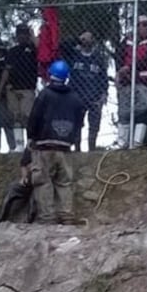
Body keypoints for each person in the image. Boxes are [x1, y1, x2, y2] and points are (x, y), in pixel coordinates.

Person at [27, 60, 86, 223]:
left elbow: (34, 118)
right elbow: (80, 119)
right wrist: (72, 137)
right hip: (65, 147)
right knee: (65, 182)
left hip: (44, 146)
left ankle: (47, 218)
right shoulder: (75, 97)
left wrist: (32, 137)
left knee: (43, 181)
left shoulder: (45, 95)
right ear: (67, 77)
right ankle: (66, 217)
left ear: (50, 76)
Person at [113, 15, 147, 148]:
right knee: (124, 111)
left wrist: (130, 68)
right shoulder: (127, 42)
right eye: (141, 25)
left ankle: (137, 142)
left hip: (145, 82)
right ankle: (122, 142)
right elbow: (118, 57)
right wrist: (120, 73)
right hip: (127, 82)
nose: (145, 28)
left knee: (143, 110)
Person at [64, 31, 110, 151]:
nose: (86, 40)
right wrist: (77, 39)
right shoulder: (74, 56)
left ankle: (92, 148)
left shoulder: (98, 58)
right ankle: (77, 148)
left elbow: (104, 78)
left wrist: (104, 94)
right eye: (84, 38)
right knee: (77, 123)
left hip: (94, 96)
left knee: (94, 124)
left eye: (89, 38)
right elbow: (63, 46)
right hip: (77, 95)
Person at [0, 24, 39, 151]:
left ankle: (30, 143)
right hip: (13, 88)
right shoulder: (12, 51)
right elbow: (7, 70)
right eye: (19, 34)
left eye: (24, 33)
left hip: (27, 88)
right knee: (15, 117)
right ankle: (19, 145)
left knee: (28, 116)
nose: (21, 36)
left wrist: (33, 36)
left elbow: (41, 48)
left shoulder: (33, 49)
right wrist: (1, 87)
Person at [0, 146, 35, 223]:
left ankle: (30, 219)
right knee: (12, 188)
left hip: (43, 181)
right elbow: (24, 164)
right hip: (30, 179)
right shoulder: (30, 146)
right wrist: (24, 177)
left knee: (37, 194)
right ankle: (2, 217)